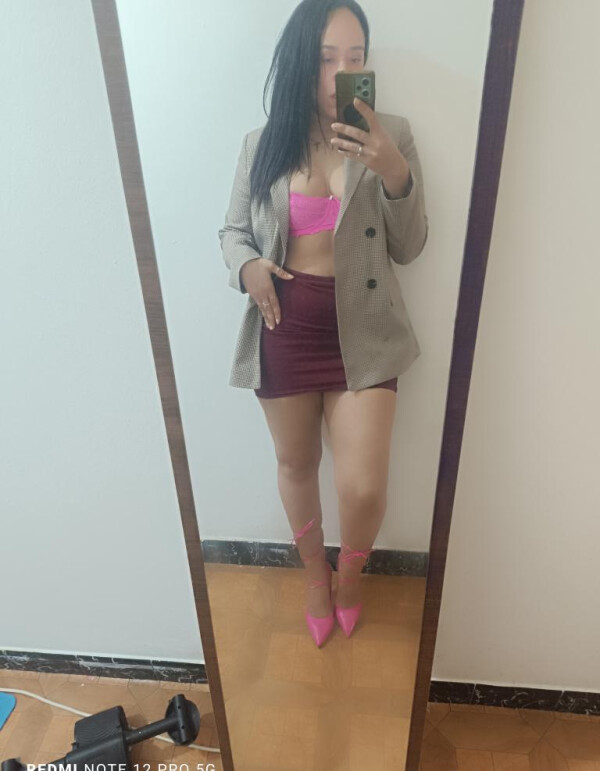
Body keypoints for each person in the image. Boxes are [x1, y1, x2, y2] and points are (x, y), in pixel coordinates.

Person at [218, 0, 428, 647]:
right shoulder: (262, 145)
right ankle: (314, 575)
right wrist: (247, 267)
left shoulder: (391, 135)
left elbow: (410, 246)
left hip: (364, 333)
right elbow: (232, 231)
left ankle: (350, 574)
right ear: (299, 62)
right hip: (284, 327)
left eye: (354, 58)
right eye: (326, 58)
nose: (341, 72)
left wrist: (393, 171)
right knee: (297, 463)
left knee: (362, 487)